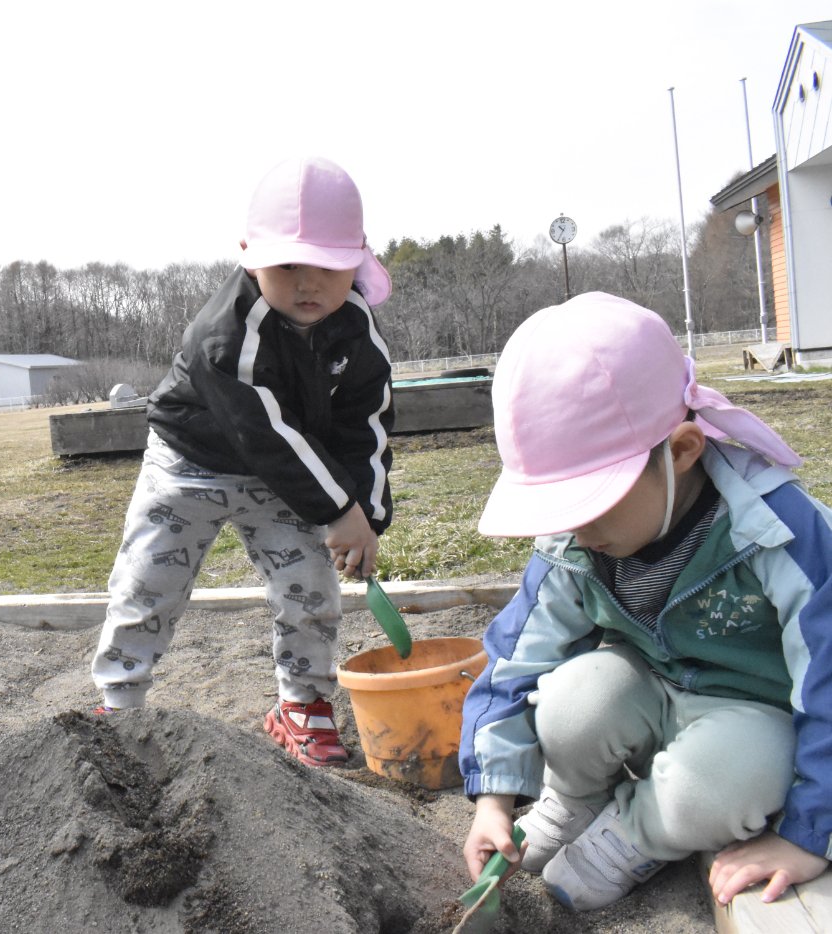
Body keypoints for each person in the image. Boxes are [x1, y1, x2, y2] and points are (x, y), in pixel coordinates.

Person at [459, 292, 832, 913]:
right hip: (654, 693)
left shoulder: (775, 529)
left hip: (753, 718)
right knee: (572, 700)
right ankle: (575, 800)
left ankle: (636, 835)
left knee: (720, 782)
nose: (578, 532)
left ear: (682, 451)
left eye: (591, 503)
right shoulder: (576, 541)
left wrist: (810, 832)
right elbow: (517, 657)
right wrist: (494, 798)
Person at [89, 156, 395, 768]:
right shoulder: (226, 332)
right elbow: (266, 434)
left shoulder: (356, 328)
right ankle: (120, 704)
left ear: (357, 260)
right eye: (288, 266)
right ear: (250, 257)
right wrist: (338, 508)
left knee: (310, 586)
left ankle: (302, 703)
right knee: (148, 581)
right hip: (191, 462)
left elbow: (365, 421)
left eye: (328, 266)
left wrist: (366, 510)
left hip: (290, 478)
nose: (308, 284)